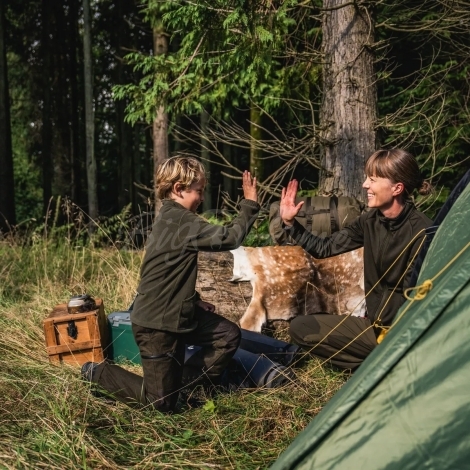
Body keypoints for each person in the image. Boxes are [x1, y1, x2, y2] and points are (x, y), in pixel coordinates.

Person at [82, 156, 259, 411]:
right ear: (178, 188)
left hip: (178, 315)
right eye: (198, 191)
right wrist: (250, 204)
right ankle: (97, 373)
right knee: (160, 404)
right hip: (156, 326)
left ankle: (186, 387)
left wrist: (194, 300)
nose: (201, 198)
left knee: (227, 335)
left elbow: (168, 271)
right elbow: (230, 237)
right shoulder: (182, 221)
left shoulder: (170, 217)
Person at [279, 149, 433, 370]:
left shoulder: (422, 232)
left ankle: (392, 364)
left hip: (404, 333)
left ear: (397, 188)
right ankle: (378, 365)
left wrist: (387, 326)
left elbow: (414, 297)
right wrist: (291, 224)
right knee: (301, 327)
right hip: (374, 328)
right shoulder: (369, 221)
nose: (364, 185)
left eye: (373, 179)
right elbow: (324, 247)